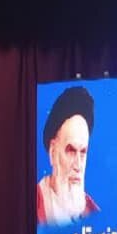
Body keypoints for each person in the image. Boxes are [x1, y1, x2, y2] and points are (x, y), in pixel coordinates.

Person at [37, 86, 99, 226]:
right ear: (53, 152)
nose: (78, 165)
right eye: (71, 151)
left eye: (83, 152)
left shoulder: (94, 214)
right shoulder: (31, 206)